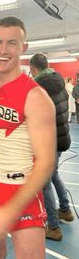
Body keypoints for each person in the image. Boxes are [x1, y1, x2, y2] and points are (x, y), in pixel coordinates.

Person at [0, 17, 56, 259]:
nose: (3, 50)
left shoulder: (36, 97)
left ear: (23, 48)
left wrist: (10, 210)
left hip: (21, 190)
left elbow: (46, 163)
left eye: (12, 43)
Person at [30, 53, 74, 241]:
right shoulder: (59, 83)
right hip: (62, 137)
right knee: (54, 174)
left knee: (45, 182)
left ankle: (54, 227)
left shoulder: (40, 88)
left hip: (50, 141)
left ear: (32, 69)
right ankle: (65, 209)